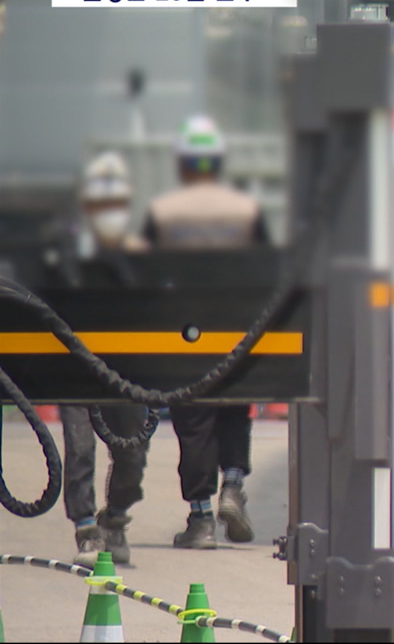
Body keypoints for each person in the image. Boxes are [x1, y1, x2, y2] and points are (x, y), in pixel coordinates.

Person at [142, 114, 270, 549]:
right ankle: (232, 486)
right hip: (235, 329)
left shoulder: (163, 212)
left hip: (184, 331)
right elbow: (264, 269)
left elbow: (146, 273)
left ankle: (200, 521)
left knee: (193, 423)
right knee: (234, 411)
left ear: (182, 164)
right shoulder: (246, 209)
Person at [55, 152, 150, 567]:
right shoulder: (66, 251)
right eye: (99, 205)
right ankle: (85, 528)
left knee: (134, 450)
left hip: (124, 370)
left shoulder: (137, 253)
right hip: (75, 367)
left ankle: (115, 518)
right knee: (79, 447)